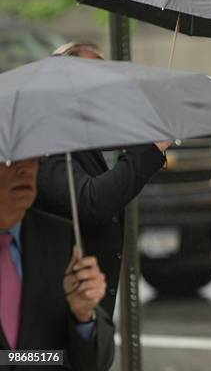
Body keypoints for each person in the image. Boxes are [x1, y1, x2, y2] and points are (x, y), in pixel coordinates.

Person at [34, 42, 171, 316]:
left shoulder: (83, 135)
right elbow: (91, 202)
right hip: (52, 315)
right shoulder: (45, 138)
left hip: (86, 315)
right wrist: (150, 149)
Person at [0, 158, 114, 370]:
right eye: (8, 160)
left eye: (31, 157)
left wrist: (83, 315)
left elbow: (88, 363)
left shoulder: (60, 237)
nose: (25, 169)